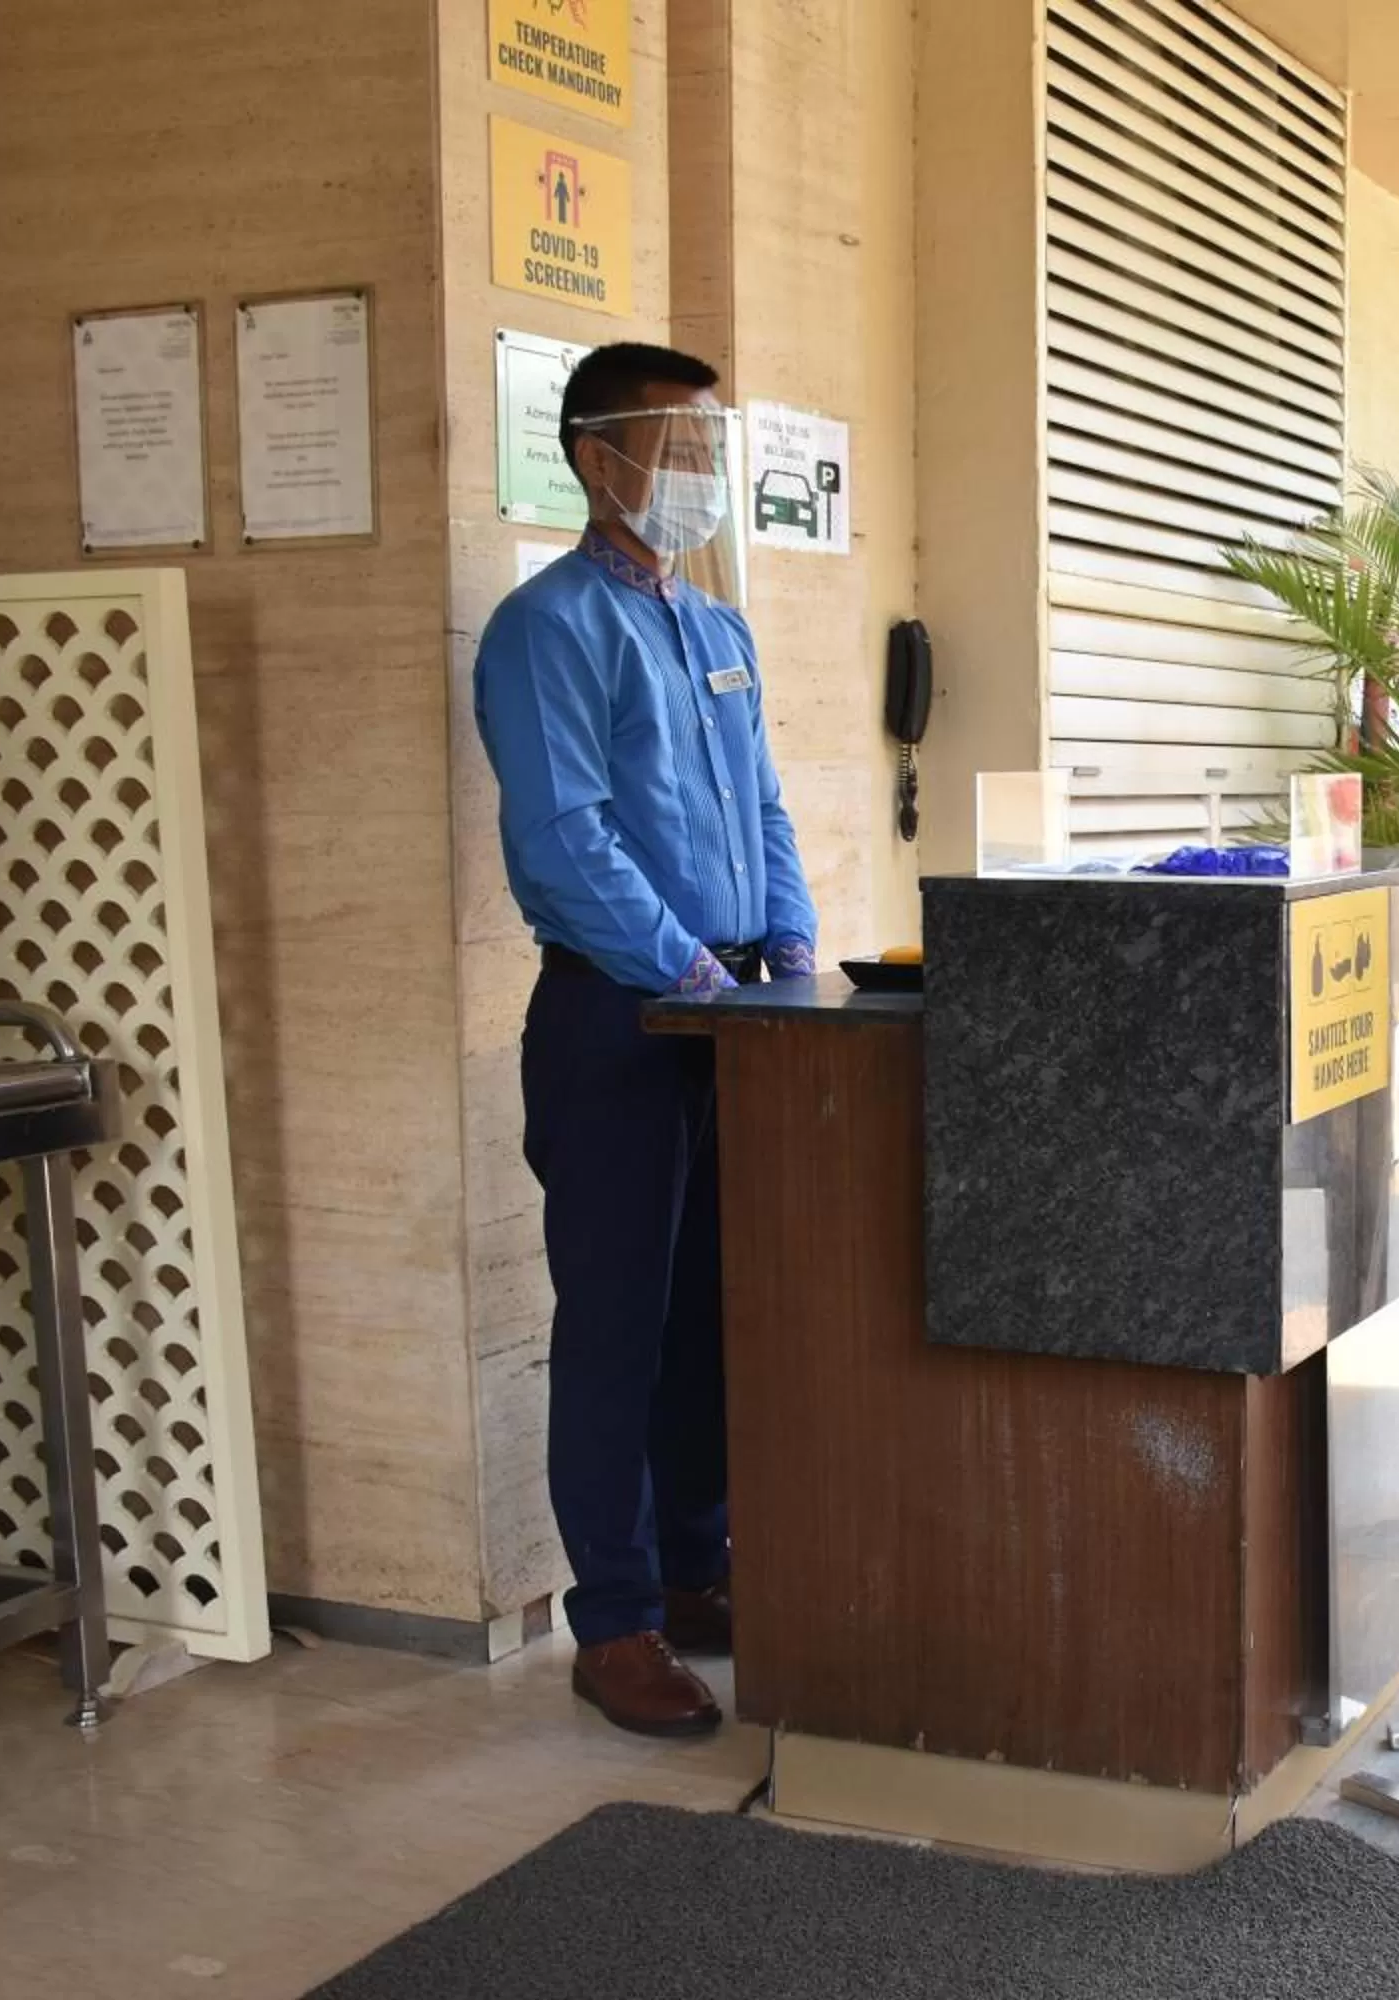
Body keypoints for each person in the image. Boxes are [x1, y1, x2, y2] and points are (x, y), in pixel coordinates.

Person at [473, 343, 817, 1737]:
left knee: (709, 1320)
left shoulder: (719, 630)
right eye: (678, 449)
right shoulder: (545, 631)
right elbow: (564, 840)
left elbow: (771, 813)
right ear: (598, 460)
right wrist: (686, 971)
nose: (702, 474)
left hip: (735, 1014)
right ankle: (610, 1620)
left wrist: (786, 959)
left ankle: (694, 1571)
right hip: (619, 1016)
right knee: (615, 1321)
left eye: (709, 448)